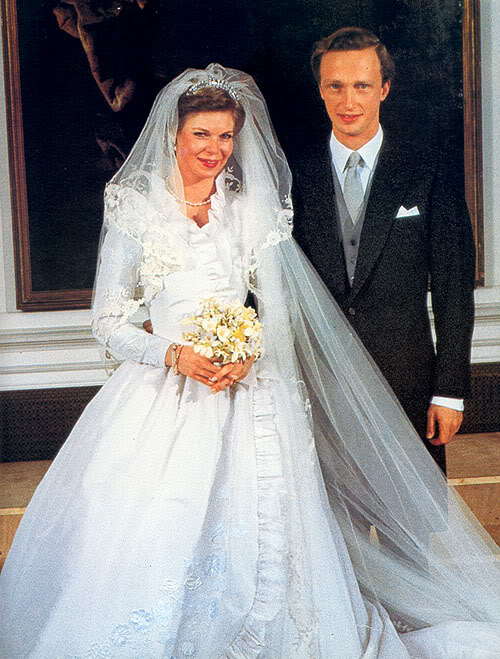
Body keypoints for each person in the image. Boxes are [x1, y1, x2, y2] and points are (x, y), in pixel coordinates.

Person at [1, 64, 499, 658]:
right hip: (168, 393)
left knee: (275, 531)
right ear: (174, 137)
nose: (215, 150)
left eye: (226, 137)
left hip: (253, 389)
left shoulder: (247, 207)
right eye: (201, 135)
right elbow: (107, 324)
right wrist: (176, 355)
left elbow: (277, 303)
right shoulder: (134, 210)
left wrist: (249, 348)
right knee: (162, 525)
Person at [292, 27, 476, 473]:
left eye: (362, 86)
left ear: (384, 89)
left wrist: (449, 391)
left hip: (410, 390)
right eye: (335, 86)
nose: (348, 101)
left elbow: (454, 288)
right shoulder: (293, 174)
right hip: (320, 393)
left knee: (413, 539)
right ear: (321, 90)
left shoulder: (427, 168)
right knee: (336, 537)